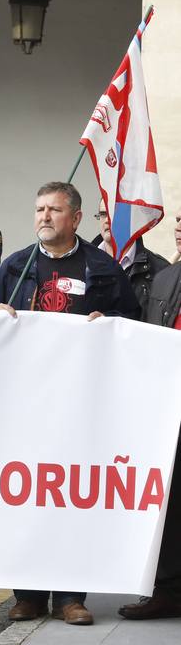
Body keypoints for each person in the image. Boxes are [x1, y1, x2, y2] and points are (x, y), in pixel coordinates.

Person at [0, 181, 140, 626]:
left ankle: (71, 596)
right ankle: (28, 595)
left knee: (72, 496)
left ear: (76, 218)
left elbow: (134, 322)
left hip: (80, 402)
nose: (44, 217)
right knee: (26, 494)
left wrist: (109, 324)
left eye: (53, 210)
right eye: (39, 209)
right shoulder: (15, 265)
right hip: (25, 402)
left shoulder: (103, 269)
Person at [120, 254, 181, 620]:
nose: (179, 227)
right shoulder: (164, 278)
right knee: (171, 502)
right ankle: (169, 590)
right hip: (171, 401)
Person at [90, 206, 168, 311]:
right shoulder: (82, 261)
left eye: (113, 213)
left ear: (132, 218)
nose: (107, 220)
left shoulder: (161, 270)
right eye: (103, 214)